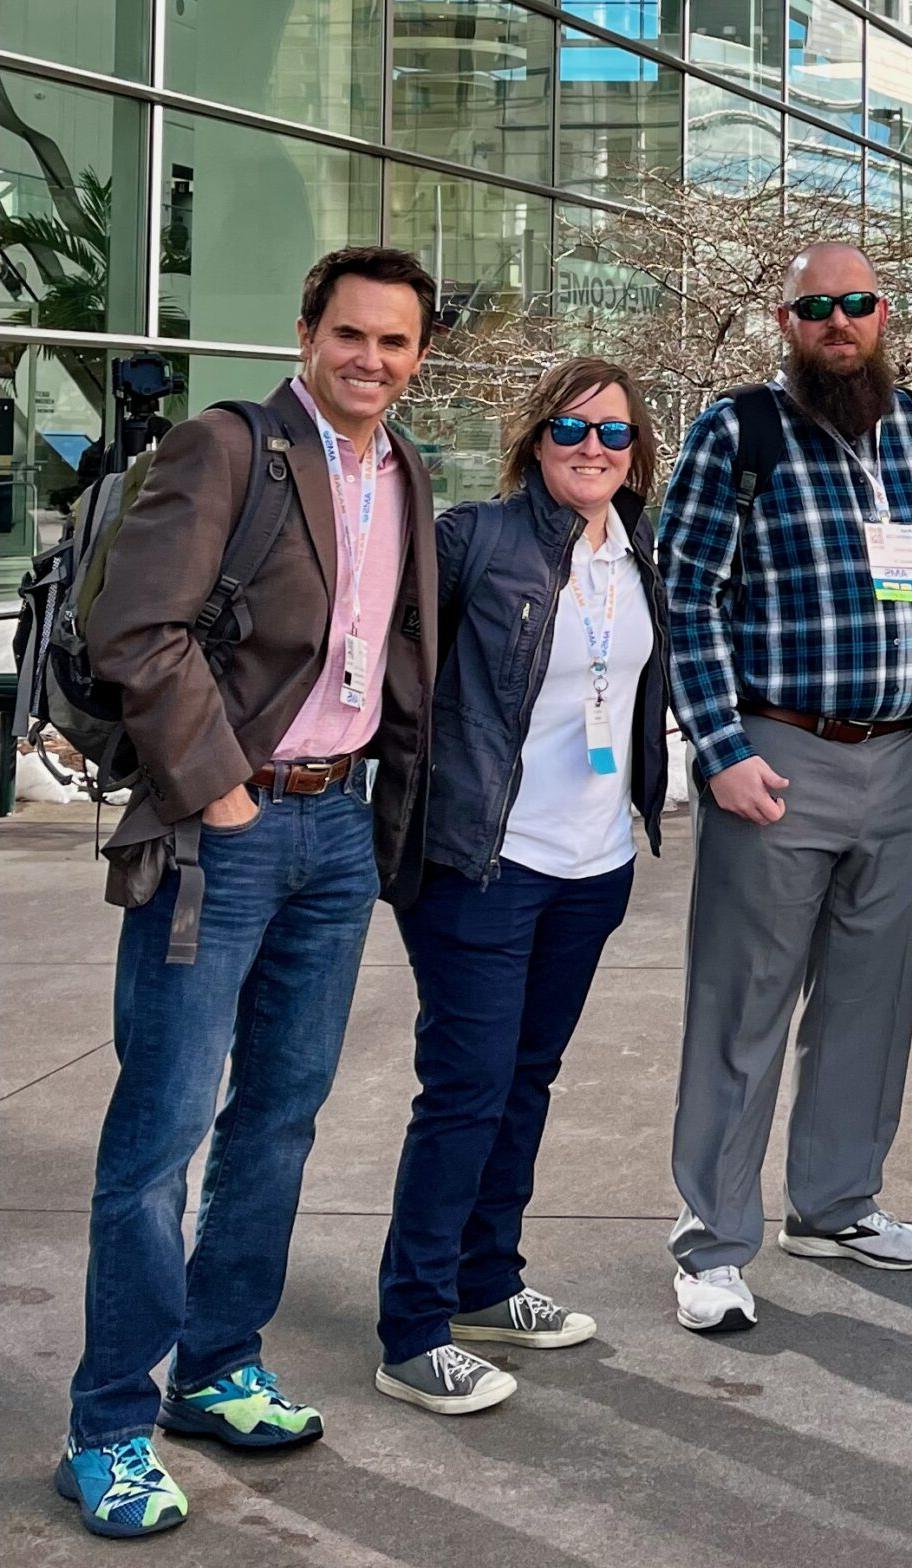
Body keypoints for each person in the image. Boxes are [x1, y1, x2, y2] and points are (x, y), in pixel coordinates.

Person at [58, 247, 441, 1540]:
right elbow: (136, 631)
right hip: (221, 832)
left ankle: (218, 1368)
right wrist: (222, 790)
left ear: (419, 355)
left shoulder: (405, 470)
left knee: (280, 1117)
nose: (371, 360)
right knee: (162, 1134)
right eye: (350, 335)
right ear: (306, 331)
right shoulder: (233, 447)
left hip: (335, 837)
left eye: (395, 342)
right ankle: (109, 1422)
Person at [658, 242, 912, 1333]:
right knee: (741, 1004)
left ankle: (836, 1202)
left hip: (904, 754)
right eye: (815, 308)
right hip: (777, 757)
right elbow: (687, 597)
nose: (836, 322)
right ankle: (711, 1242)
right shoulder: (736, 431)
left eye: (854, 304)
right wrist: (718, 746)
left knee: (868, 1000)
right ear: (785, 321)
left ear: (882, 313)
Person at [372, 360, 672, 1415]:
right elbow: (392, 674)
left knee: (526, 1077)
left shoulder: (641, 557)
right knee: (464, 1089)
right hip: (482, 864)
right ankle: (411, 1326)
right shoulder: (471, 542)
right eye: (572, 429)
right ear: (533, 437)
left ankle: (484, 1281)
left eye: (615, 434)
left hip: (594, 868)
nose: (594, 449)